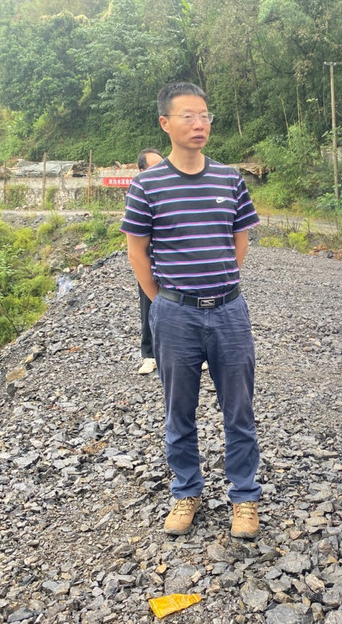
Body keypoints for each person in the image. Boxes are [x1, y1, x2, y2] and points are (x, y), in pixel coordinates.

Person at [121, 82, 262, 539]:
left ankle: (244, 497)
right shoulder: (147, 184)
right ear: (166, 123)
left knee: (239, 409)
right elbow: (137, 252)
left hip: (229, 311)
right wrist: (164, 299)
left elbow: (239, 241)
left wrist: (217, 284)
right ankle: (186, 491)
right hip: (175, 314)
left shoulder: (229, 178)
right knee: (178, 411)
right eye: (188, 116)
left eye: (205, 116)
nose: (199, 124)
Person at [134, 148, 163, 375]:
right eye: (154, 168)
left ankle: (193, 355)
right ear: (141, 171)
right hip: (150, 260)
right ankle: (150, 355)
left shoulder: (174, 189)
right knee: (149, 307)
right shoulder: (139, 194)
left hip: (175, 262)